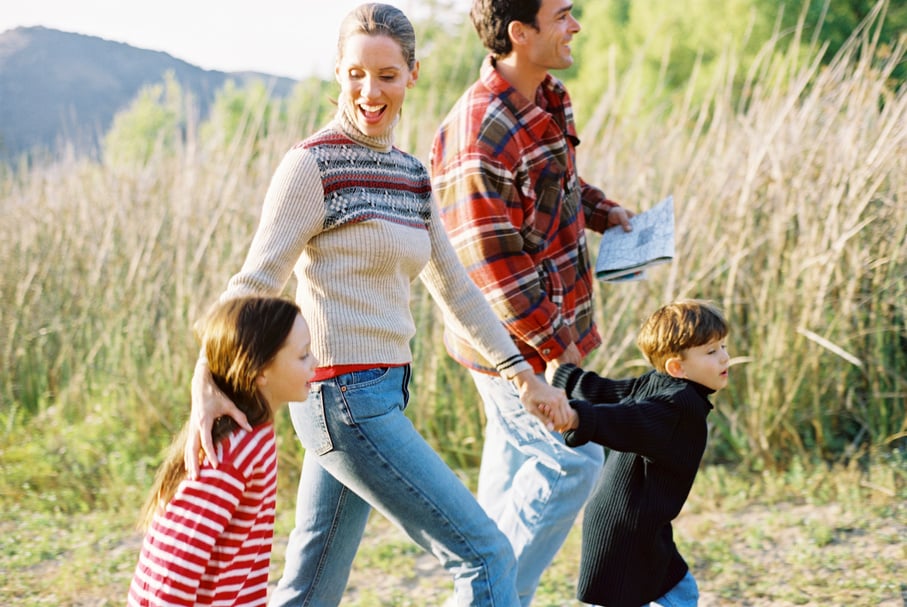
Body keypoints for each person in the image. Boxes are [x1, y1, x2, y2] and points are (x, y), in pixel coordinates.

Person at [183, 4, 572, 606]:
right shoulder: (312, 166)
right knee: (487, 556)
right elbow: (253, 283)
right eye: (356, 74)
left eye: (387, 75)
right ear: (338, 73)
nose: (370, 92)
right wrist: (204, 380)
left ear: (412, 74)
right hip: (344, 399)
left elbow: (458, 289)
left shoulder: (412, 175)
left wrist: (522, 375)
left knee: (312, 588)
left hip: (382, 392)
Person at [429, 0, 636, 602]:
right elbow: (493, 270)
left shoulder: (547, 94)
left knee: (515, 472)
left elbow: (553, 183)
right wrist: (556, 351)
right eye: (563, 15)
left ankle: (482, 594)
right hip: (512, 345)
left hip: (543, 332)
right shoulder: (479, 134)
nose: (576, 25)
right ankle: (488, 598)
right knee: (574, 461)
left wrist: (604, 212)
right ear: (520, 33)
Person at [128, 296, 317, 607]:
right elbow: (174, 566)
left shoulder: (256, 436)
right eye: (303, 355)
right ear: (261, 371)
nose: (315, 362)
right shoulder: (233, 453)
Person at [544, 299, 730, 607]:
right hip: (625, 533)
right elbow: (628, 419)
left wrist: (567, 378)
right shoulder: (678, 406)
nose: (724, 357)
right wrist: (577, 418)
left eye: (722, 346)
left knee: (680, 588)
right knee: (649, 593)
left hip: (638, 524)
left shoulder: (659, 384)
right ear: (677, 367)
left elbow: (606, 392)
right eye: (711, 352)